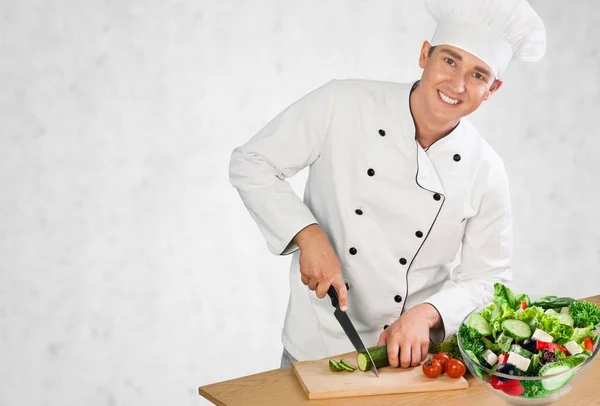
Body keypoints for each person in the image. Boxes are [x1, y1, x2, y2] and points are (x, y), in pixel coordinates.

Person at [229, 0, 546, 369]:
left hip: (412, 357)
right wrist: (307, 233)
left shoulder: (486, 170)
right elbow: (252, 162)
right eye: (449, 60)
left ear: (493, 89)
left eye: (478, 75)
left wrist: (428, 313)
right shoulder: (342, 104)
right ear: (424, 55)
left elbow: (489, 278)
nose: (457, 84)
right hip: (316, 345)